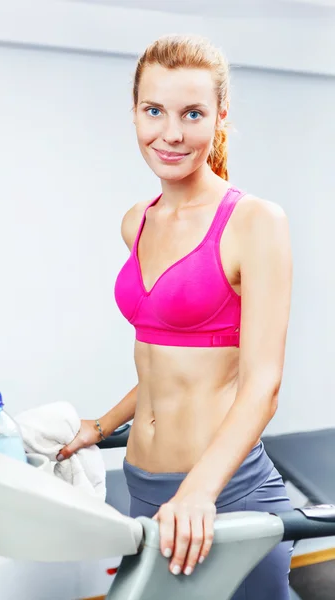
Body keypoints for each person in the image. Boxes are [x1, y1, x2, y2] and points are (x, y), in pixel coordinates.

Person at [56, 34, 294, 599]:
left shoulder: (255, 221)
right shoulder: (136, 221)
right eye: (153, 110)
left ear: (220, 117)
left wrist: (198, 493)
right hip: (144, 490)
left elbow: (262, 384)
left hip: (224, 496)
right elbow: (168, 368)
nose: (170, 133)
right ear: (135, 111)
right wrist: (102, 425)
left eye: (192, 113)